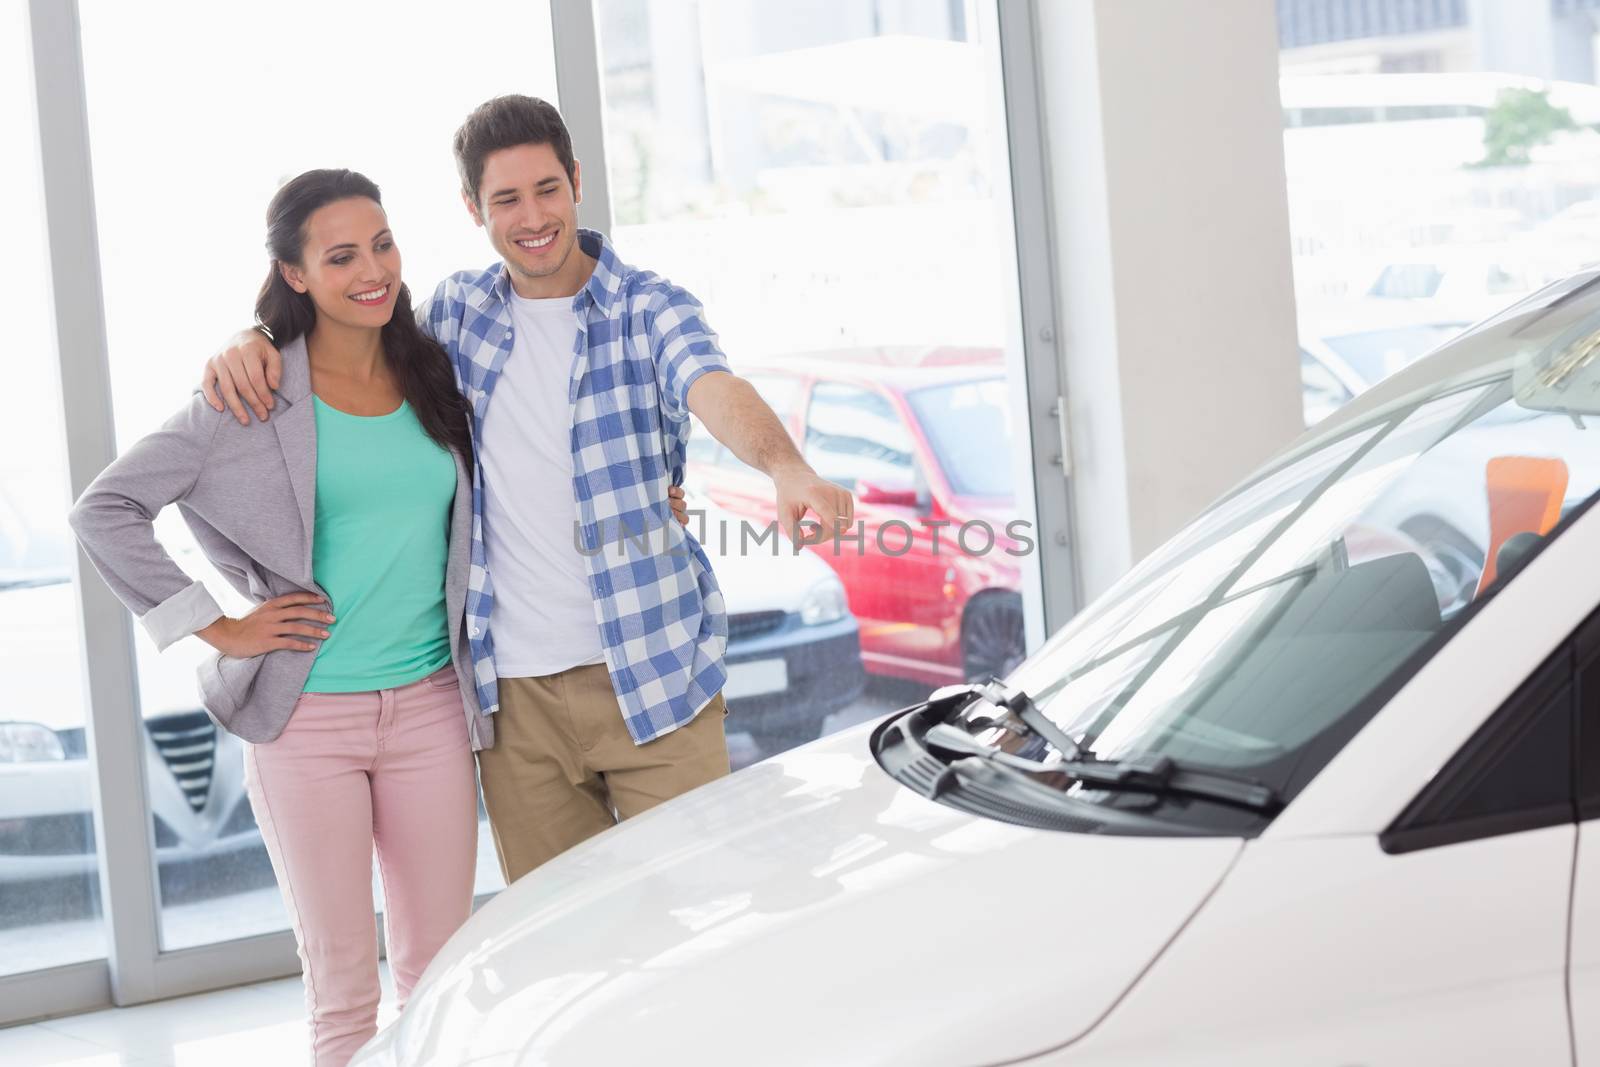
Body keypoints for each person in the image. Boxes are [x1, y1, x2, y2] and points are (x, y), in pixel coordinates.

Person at [68, 168, 679, 1066]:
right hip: (308, 718)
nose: (373, 269)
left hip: (432, 706)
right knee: (344, 988)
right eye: (342, 254)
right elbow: (105, 509)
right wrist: (221, 625)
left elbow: (553, 427)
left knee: (440, 973)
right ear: (296, 272)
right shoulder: (252, 394)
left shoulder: (437, 366)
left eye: (383, 244)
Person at [200, 95, 855, 885]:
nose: (533, 215)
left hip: (654, 674)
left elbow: (712, 385)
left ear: (576, 181)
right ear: (474, 208)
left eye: (547, 188)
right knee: (568, 952)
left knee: (701, 926)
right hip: (512, 709)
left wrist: (786, 466)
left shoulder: (649, 307)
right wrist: (257, 334)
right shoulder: (454, 315)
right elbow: (344, 330)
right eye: (506, 198)